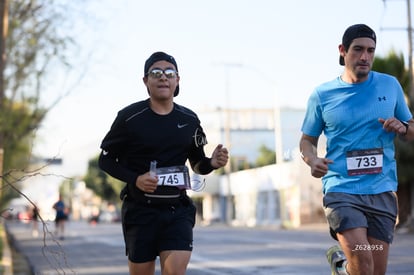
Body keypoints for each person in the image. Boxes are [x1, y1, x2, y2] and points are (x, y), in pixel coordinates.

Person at [98, 51, 229, 275]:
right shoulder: (129, 117)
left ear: (177, 80)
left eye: (170, 73)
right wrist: (136, 179)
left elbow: (197, 163)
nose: (163, 77)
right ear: (145, 80)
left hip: (177, 209)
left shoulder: (189, 120)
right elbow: (105, 160)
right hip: (140, 211)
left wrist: (212, 163)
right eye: (156, 73)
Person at [299, 24, 414, 275]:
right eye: (358, 49)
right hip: (342, 189)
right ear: (342, 51)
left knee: (374, 270)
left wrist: (403, 128)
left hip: (382, 189)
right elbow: (307, 140)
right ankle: (348, 264)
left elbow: (412, 128)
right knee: (363, 259)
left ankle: (342, 268)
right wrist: (311, 159)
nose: (365, 57)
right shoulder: (322, 95)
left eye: (371, 51)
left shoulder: (390, 85)